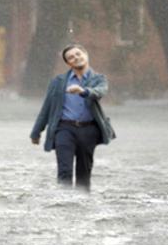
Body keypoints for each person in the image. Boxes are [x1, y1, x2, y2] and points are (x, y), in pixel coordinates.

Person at [30, 43, 115, 191]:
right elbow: (47, 108)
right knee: (64, 170)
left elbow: (100, 92)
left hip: (89, 129)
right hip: (64, 128)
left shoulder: (99, 79)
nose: (75, 58)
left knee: (84, 172)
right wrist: (36, 132)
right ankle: (64, 204)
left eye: (78, 54)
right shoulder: (58, 82)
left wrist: (83, 91)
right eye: (70, 57)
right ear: (68, 63)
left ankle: (82, 206)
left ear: (85, 55)